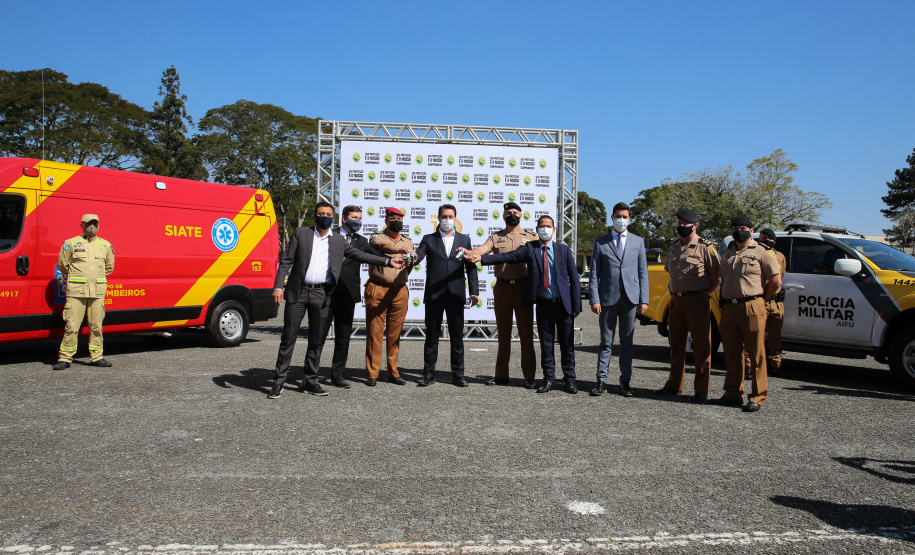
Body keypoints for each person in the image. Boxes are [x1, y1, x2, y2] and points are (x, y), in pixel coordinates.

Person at [268, 201, 404, 399]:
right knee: (288, 338)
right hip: (298, 292)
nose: (325, 217)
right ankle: (278, 382)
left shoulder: (339, 240)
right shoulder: (301, 234)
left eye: (328, 214)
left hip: (322, 294)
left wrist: (389, 261)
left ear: (333, 217)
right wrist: (278, 286)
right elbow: (286, 261)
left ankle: (312, 380)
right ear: (315, 216)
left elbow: (361, 254)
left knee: (316, 340)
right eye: (321, 214)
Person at [466, 216, 581, 393]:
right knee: (546, 344)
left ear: (554, 230)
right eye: (542, 226)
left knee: (567, 344)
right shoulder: (530, 248)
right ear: (537, 228)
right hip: (544, 304)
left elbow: (574, 278)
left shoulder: (563, 250)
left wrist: (576, 305)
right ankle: (549, 379)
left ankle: (569, 379)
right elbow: (508, 256)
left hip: (563, 305)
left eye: (548, 226)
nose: (545, 229)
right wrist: (481, 259)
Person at [460, 202, 538, 389]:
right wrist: (469, 253)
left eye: (515, 212)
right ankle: (501, 375)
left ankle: (529, 376)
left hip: (523, 287)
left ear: (521, 215)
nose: (512, 215)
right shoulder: (496, 237)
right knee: (503, 333)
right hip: (502, 288)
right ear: (503, 216)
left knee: (526, 334)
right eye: (508, 213)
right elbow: (483, 250)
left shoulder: (531, 237)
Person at [654, 208, 720, 402]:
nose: (681, 227)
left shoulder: (706, 247)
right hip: (676, 300)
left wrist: (704, 293)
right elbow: (670, 271)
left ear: (695, 226)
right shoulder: (674, 247)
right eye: (679, 223)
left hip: (697, 300)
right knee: (676, 344)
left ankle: (701, 389)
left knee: (701, 346)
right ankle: (674, 384)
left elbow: (716, 276)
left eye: (685, 224)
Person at [716, 216, 782, 412]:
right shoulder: (727, 253)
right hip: (729, 307)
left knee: (756, 353)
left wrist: (761, 299)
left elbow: (776, 281)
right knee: (732, 353)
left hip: (752, 305)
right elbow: (721, 278)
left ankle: (757, 396)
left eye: (742, 228)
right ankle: (732, 393)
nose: (738, 231)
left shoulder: (762, 252)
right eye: (735, 227)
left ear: (752, 230)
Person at [411, 204, 479, 387]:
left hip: (456, 294)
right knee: (431, 337)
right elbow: (417, 258)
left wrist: (474, 291)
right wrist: (410, 256)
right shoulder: (428, 239)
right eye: (444, 216)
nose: (447, 219)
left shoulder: (464, 240)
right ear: (438, 218)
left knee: (457, 337)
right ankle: (428, 374)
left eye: (450, 216)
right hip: (434, 294)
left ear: (455, 218)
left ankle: (458, 375)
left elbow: (471, 268)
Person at [588, 202, 649, 397]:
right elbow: (594, 273)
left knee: (627, 341)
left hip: (630, 298)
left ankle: (625, 381)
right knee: (606, 342)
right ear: (612, 217)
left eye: (625, 217)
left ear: (629, 219)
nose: (621, 220)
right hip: (607, 298)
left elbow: (642, 273)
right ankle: (601, 380)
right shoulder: (600, 242)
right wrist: (594, 299)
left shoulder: (638, 242)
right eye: (618, 216)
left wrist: (644, 300)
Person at [52, 214, 115, 370]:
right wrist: (77, 277)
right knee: (72, 326)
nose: (92, 226)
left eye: (95, 223)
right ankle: (65, 358)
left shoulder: (105, 245)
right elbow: (62, 265)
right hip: (76, 291)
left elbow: (109, 267)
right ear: (82, 225)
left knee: (96, 325)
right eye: (89, 223)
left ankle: (97, 357)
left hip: (97, 291)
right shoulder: (71, 244)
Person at [327, 205, 376, 389]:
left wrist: (396, 256)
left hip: (347, 295)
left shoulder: (361, 241)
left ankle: (337, 375)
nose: (359, 221)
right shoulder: (329, 235)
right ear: (344, 219)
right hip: (325, 293)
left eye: (361, 218)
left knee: (343, 337)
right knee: (318, 336)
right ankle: (310, 374)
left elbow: (376, 256)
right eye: (355, 217)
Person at [364, 207, 414, 386]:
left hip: (399, 290)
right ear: (386, 221)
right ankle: (372, 373)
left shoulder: (407, 241)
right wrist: (399, 251)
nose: (397, 222)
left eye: (400, 219)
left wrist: (410, 259)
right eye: (393, 219)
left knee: (395, 333)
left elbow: (409, 265)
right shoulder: (377, 237)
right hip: (378, 287)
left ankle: (393, 372)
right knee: (374, 332)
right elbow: (384, 247)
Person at [757, 227, 787, 375]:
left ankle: (776, 365)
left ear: (774, 241)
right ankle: (753, 366)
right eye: (762, 238)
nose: (765, 241)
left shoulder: (780, 256)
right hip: (760, 300)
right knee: (756, 336)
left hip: (775, 302)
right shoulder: (755, 254)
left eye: (769, 239)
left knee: (775, 336)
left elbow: (780, 277)